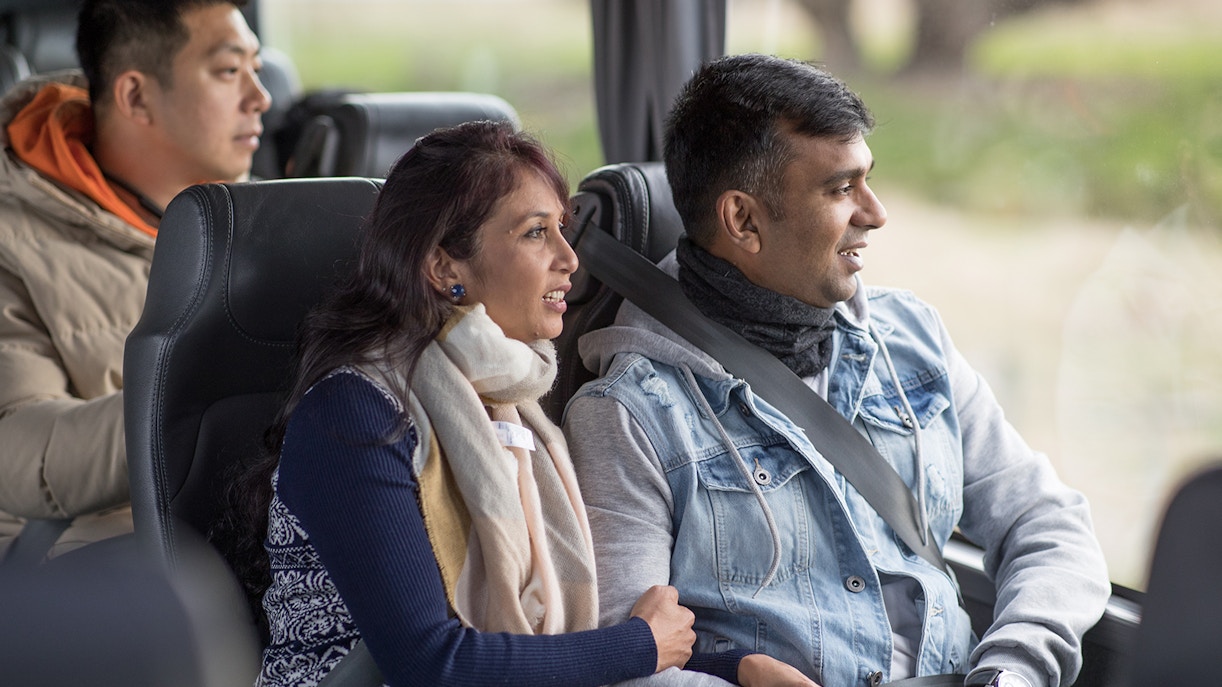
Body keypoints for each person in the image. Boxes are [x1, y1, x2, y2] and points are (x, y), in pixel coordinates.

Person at [563, 54, 1111, 687]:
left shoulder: (912, 341)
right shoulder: (629, 414)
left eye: (867, 180)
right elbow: (628, 662)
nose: (875, 213)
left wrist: (1014, 667)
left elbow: (1047, 522)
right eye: (840, 189)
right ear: (743, 220)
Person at [238, 120, 718, 687]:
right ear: (445, 267)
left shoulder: (514, 406)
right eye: (535, 233)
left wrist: (734, 667)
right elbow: (431, 665)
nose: (569, 259)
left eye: (562, 229)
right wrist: (639, 647)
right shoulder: (354, 411)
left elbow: (562, 638)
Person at [0, 0, 270, 560]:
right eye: (227, 70)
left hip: (241, 531)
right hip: (85, 560)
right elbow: (19, 452)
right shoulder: (12, 234)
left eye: (257, 69)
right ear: (135, 96)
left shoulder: (264, 217)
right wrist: (210, 398)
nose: (260, 99)